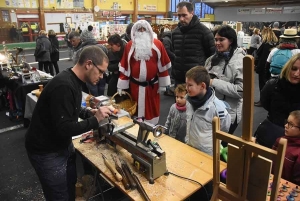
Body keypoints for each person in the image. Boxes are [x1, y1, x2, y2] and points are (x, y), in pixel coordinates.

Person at [25, 46, 111, 200]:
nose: (102, 76)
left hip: (59, 146)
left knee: (69, 189)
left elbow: (70, 109)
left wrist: (87, 113)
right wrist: (95, 119)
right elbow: (64, 129)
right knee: (60, 196)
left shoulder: (74, 80)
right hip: (46, 151)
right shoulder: (64, 85)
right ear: (89, 64)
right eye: (101, 71)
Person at [117, 20, 171, 125]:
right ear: (134, 31)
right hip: (135, 87)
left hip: (152, 87)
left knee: (151, 110)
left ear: (148, 30)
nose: (141, 31)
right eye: (139, 29)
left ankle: (151, 127)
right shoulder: (129, 46)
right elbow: (125, 66)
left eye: (144, 29)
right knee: (135, 110)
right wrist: (122, 85)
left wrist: (164, 84)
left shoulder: (157, 44)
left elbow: (163, 66)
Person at [204, 25, 245, 135]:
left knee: (220, 147)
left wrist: (213, 82)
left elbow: (241, 90)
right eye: (216, 39)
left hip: (228, 113)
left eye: (221, 39)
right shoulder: (212, 59)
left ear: (231, 40)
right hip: (211, 110)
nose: (217, 43)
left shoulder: (240, 61)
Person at [254, 53, 300, 149]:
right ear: (288, 67)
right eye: (294, 69)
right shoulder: (273, 84)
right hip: (271, 131)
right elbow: (265, 102)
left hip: (295, 141)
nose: (296, 74)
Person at [185, 66, 231, 156]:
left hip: (206, 153)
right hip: (189, 146)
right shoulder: (189, 100)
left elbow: (224, 127)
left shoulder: (217, 108)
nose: (186, 88)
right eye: (186, 84)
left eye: (190, 85)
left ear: (202, 86)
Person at [171, 1, 215, 86]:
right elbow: (175, 53)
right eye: (179, 16)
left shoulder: (204, 32)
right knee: (179, 100)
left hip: (196, 80)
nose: (181, 19)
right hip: (179, 79)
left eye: (184, 15)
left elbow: (212, 56)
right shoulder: (175, 32)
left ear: (192, 13)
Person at [74, 29, 108, 96]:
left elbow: (76, 62)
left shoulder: (81, 50)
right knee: (102, 93)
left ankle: (97, 105)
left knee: (93, 93)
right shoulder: (102, 47)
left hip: (90, 75)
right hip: (103, 73)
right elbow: (107, 59)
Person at [272, 110, 300, 185]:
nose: (286, 126)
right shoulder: (280, 140)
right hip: (273, 181)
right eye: (287, 122)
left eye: (291, 124)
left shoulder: (297, 152)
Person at [254, 28, 278, 107]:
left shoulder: (265, 44)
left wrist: (258, 67)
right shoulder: (275, 44)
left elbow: (260, 55)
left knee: (262, 85)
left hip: (263, 67)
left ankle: (262, 101)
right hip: (272, 67)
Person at [159, 28, 175, 96]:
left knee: (168, 75)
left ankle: (167, 90)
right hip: (167, 60)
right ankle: (167, 90)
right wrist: (173, 55)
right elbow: (167, 50)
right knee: (168, 75)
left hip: (167, 59)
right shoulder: (167, 40)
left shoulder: (166, 39)